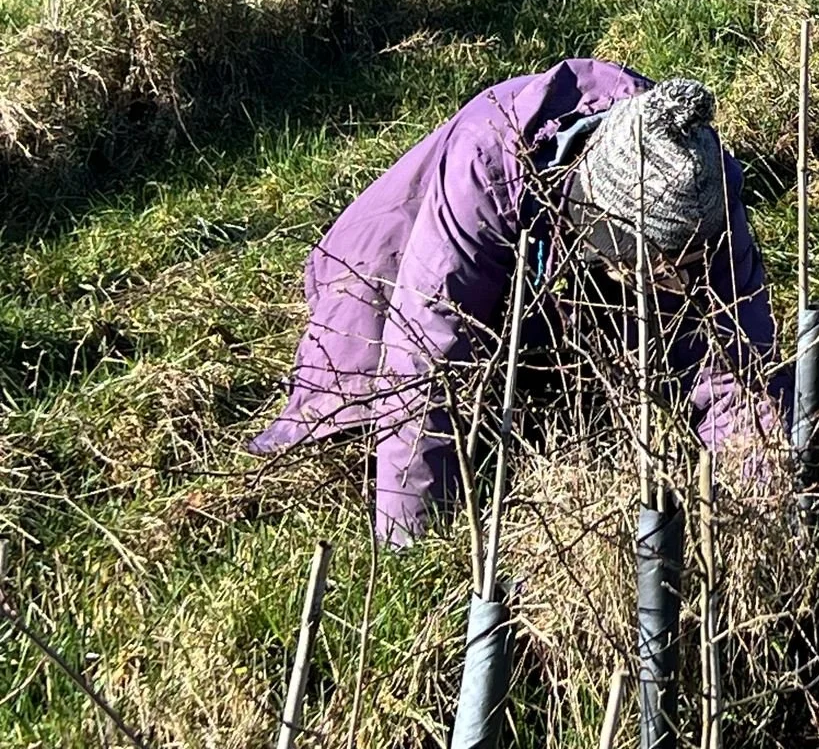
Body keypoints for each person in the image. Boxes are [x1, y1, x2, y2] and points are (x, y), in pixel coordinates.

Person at [250, 61, 779, 546]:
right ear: (599, 229)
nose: (673, 278)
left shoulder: (698, 186)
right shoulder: (486, 170)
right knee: (361, 390)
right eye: (656, 266)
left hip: (563, 248)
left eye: (680, 265)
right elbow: (426, 360)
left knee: (577, 364)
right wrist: (411, 544)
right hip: (392, 253)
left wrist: (764, 513)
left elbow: (741, 367)